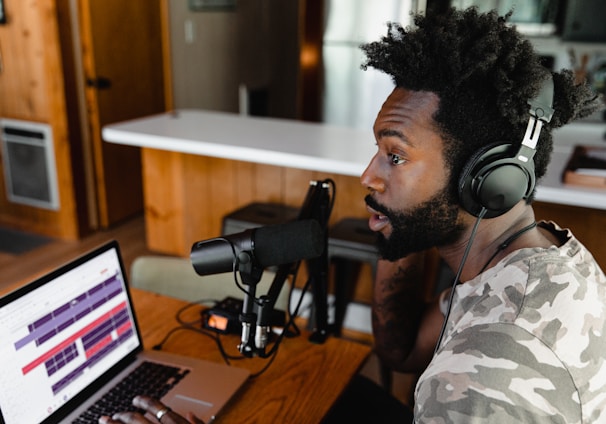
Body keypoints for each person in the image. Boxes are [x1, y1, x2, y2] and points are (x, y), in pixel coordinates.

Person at [101, 6, 604, 424]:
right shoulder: (534, 261)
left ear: (489, 179)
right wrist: (400, 230)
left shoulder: (480, 380)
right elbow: (402, 351)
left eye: (396, 155)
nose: (369, 175)